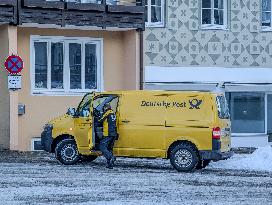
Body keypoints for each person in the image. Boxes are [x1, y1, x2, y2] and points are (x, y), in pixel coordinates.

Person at [98, 103, 118, 169]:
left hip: (108, 133)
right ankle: (110, 164)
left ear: (106, 108)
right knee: (109, 148)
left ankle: (111, 157)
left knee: (102, 146)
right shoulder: (113, 113)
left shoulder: (107, 112)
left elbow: (100, 120)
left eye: (104, 108)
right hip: (113, 133)